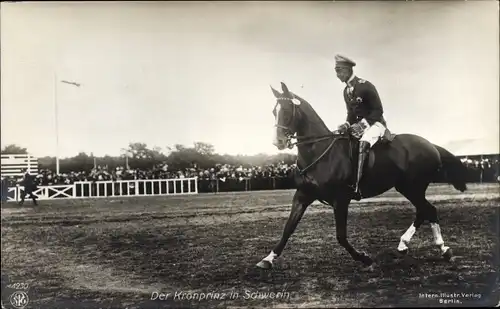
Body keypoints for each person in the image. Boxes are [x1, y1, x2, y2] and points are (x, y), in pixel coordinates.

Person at [334, 54, 388, 200]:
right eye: (336, 71)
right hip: (361, 126)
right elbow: (350, 114)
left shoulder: (366, 86)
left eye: (339, 71)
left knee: (364, 143)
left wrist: (361, 126)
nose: (338, 75)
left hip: (376, 124)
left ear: (348, 69)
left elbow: (378, 111)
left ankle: (358, 185)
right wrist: (346, 124)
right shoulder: (346, 91)